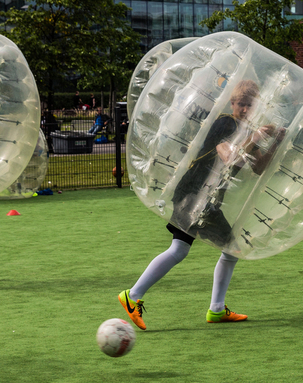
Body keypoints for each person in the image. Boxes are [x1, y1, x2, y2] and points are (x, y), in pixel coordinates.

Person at [119, 79, 285, 329]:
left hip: (207, 198)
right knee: (216, 249)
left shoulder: (246, 130)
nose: (245, 110)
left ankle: (210, 308)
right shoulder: (225, 123)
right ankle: (134, 296)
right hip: (194, 195)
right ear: (232, 103)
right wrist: (260, 134)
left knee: (189, 249)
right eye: (241, 104)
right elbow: (229, 157)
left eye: (250, 105)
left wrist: (275, 142)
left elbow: (258, 166)